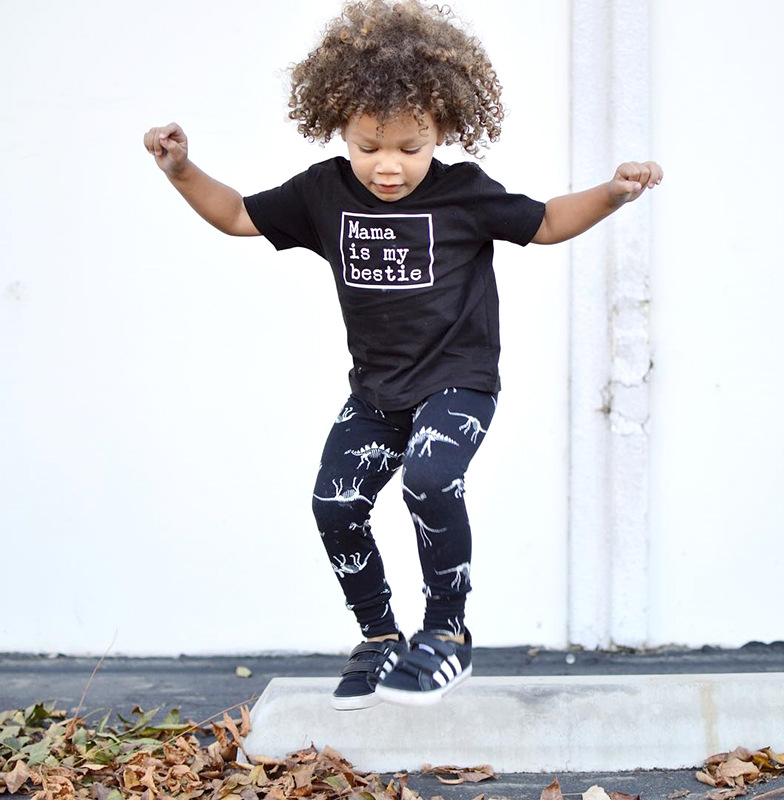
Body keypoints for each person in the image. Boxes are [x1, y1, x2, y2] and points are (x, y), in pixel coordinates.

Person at [143, 0, 662, 711]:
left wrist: (612, 193)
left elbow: (544, 222)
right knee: (334, 504)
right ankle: (381, 639)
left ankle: (447, 634)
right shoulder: (323, 192)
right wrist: (181, 170)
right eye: (368, 147)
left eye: (410, 149)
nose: (387, 166)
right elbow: (236, 215)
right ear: (339, 128)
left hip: (457, 382)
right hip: (377, 392)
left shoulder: (465, 194)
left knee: (429, 478)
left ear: (441, 128)